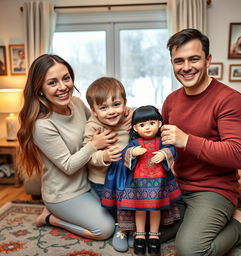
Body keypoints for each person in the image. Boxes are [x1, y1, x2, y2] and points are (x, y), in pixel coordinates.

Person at [160, 28, 241, 256]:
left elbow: (239, 155)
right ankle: (193, 221)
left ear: (208, 59)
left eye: (194, 59)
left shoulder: (229, 99)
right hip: (178, 185)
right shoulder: (171, 101)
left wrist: (187, 140)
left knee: (191, 251)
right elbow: (162, 141)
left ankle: (240, 225)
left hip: (214, 190)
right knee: (141, 232)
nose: (186, 67)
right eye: (178, 61)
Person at [17, 54, 122, 241]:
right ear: (39, 89)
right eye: (52, 82)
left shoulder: (77, 103)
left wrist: (127, 115)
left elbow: (100, 121)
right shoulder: (41, 125)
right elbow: (68, 165)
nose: (63, 87)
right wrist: (94, 145)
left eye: (66, 78)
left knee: (122, 214)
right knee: (105, 230)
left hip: (89, 182)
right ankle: (50, 217)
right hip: (64, 194)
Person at [102, 105, 182, 256]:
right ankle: (139, 235)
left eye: (152, 123)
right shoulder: (135, 142)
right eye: (142, 125)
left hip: (159, 183)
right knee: (139, 210)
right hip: (137, 184)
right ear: (135, 128)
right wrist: (133, 152)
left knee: (155, 209)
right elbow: (125, 152)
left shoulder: (161, 141)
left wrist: (164, 154)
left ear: (159, 124)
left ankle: (154, 235)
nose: (147, 128)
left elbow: (173, 150)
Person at [83, 76, 131, 252]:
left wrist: (134, 113)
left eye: (116, 104)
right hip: (102, 180)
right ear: (94, 110)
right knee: (114, 207)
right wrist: (104, 156)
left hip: (127, 177)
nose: (111, 111)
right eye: (103, 108)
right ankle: (121, 227)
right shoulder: (93, 127)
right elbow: (87, 155)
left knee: (130, 202)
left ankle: (131, 227)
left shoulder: (128, 118)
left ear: (125, 103)